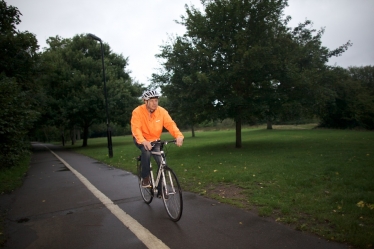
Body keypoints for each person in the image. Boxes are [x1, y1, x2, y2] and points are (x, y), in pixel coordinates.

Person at [131, 90, 184, 189]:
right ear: (145, 101)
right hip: (141, 139)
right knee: (146, 152)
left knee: (162, 163)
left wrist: (178, 135)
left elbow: (170, 124)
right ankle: (145, 178)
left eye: (156, 100)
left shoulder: (162, 111)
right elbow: (136, 128)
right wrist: (143, 141)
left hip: (155, 139)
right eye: (151, 101)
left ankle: (161, 190)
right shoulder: (137, 111)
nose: (154, 103)